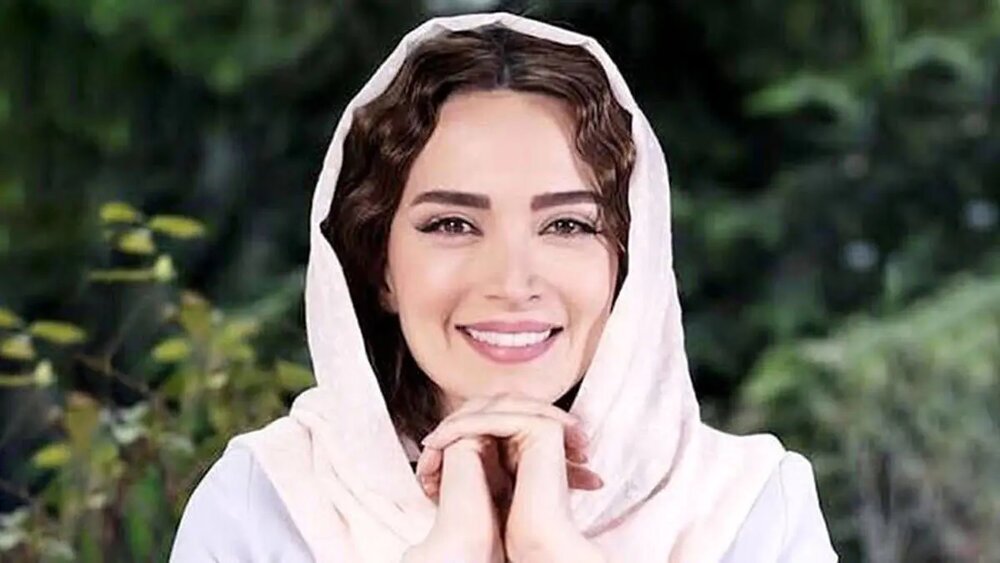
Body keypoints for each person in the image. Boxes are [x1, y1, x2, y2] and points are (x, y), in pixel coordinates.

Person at [169, 12, 837, 563]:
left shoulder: (748, 508)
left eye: (567, 224)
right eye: (453, 224)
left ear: (629, 263)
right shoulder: (266, 502)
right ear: (379, 266)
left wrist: (553, 547)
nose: (513, 282)